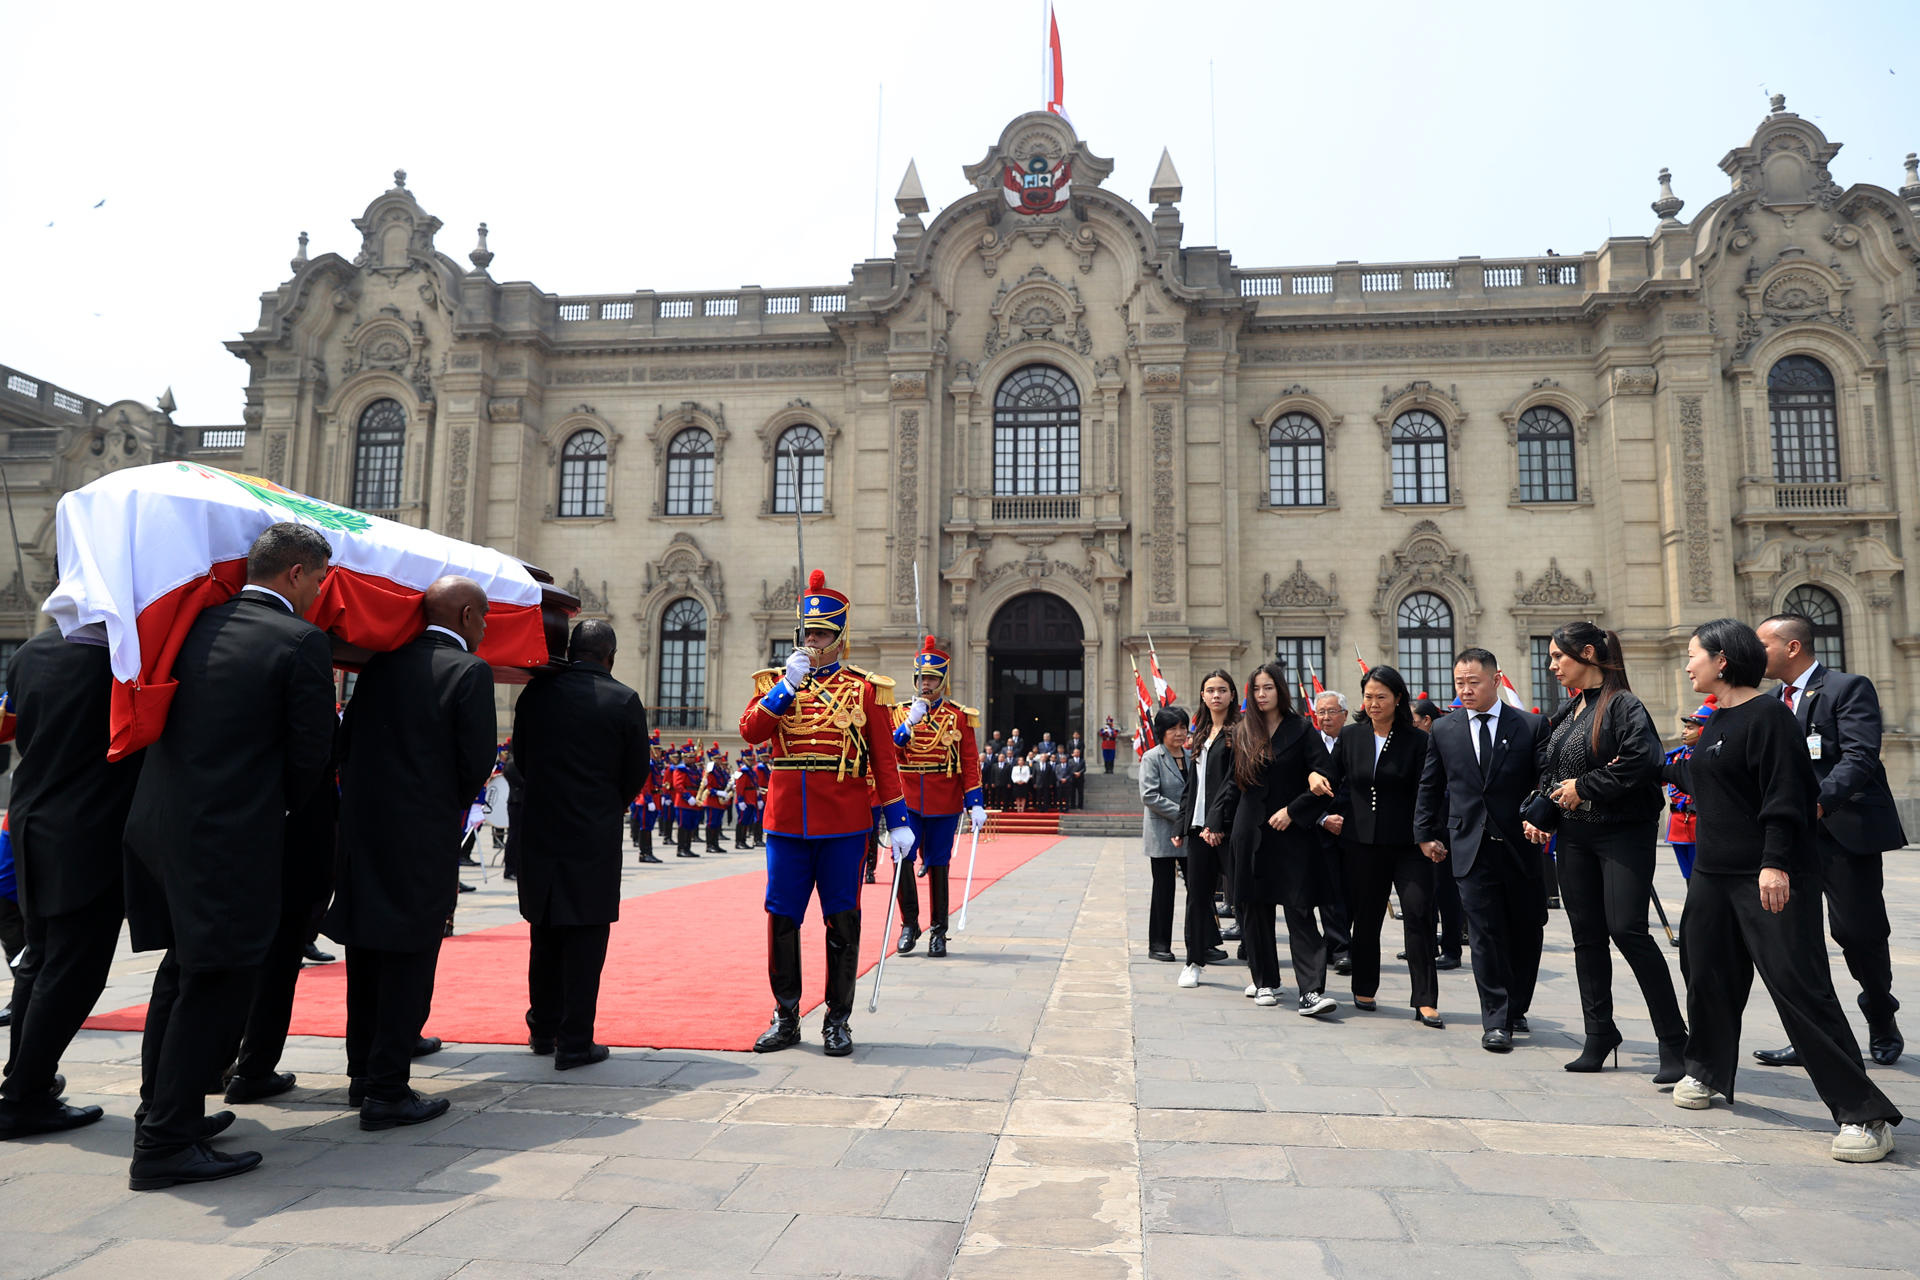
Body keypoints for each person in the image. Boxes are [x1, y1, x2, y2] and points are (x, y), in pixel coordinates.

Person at [122, 523, 337, 1189]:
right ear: (297, 574)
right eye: (321, 581)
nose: (321, 595)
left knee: (181, 973)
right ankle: (163, 1146)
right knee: (216, 982)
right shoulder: (299, 641)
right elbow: (310, 761)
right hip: (231, 838)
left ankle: (164, 1112)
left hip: (161, 827)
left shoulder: (191, 625)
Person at [1662, 618, 1901, 1162]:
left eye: (1694, 654)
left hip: (1767, 875)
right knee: (1706, 976)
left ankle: (1866, 1115)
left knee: (1800, 985)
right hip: (1713, 876)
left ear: (1722, 660)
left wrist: (1774, 864)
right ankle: (1706, 1071)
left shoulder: (1768, 716)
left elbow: (1785, 796)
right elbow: (1705, 782)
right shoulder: (1716, 719)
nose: (1687, 663)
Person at [324, 576, 497, 1130]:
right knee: (410, 960)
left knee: (367, 957)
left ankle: (361, 1075)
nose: (489, 626)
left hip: (363, 832)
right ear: (467, 615)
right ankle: (387, 1090)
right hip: (421, 839)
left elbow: (344, 746)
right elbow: (475, 763)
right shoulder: (468, 672)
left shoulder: (379, 665)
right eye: (486, 616)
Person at [739, 570, 913, 1056]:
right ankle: (786, 1013)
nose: (812, 642)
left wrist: (897, 819)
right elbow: (752, 731)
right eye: (807, 634)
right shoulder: (776, 682)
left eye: (822, 635)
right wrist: (785, 688)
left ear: (840, 640)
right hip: (788, 819)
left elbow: (883, 758)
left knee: (842, 919)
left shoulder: (865, 690)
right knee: (782, 917)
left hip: (843, 820)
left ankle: (837, 1019)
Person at [0, 625, 145, 1141]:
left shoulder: (31, 652)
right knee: (72, 970)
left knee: (39, 961)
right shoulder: (123, 660)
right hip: (85, 833)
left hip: (33, 820)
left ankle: (26, 1082)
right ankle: (22, 1096)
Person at [1527, 621, 1686, 1079]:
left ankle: (1675, 1041)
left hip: (1622, 834)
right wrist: (1540, 812)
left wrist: (1587, 787)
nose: (1552, 664)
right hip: (1574, 837)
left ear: (1590, 654)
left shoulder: (1623, 705)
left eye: (1559, 656)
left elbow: (1645, 762)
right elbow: (1553, 772)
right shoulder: (1569, 711)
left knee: (1628, 931)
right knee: (1587, 939)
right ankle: (1599, 1034)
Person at [1752, 612, 1907, 1068]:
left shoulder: (1846, 688)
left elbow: (1860, 757)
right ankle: (1813, 1036)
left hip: (1842, 831)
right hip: (1791, 837)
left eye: (1763, 645)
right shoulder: (1770, 701)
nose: (1756, 654)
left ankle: (1880, 1010)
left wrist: (1816, 803)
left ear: (1791, 647)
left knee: (1857, 933)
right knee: (1796, 939)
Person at [512, 619, 650, 1070]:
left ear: (572, 651)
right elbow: (635, 773)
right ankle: (575, 1041)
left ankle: (542, 1029)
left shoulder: (535, 694)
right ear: (610, 656)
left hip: (540, 832)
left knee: (544, 933)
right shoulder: (624, 699)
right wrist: (605, 806)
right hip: (592, 836)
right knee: (586, 938)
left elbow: (523, 761)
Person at [1413, 648, 1548, 1053]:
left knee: (1527, 929)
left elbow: (1544, 780)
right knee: (1484, 934)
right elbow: (1430, 785)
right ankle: (1496, 1019)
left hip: (1520, 844)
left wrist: (1543, 819)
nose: (1466, 690)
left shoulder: (1529, 726)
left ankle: (1516, 1005)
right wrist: (1424, 832)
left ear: (1495, 679)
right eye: (1459, 683)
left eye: (1473, 682)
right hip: (1468, 844)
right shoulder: (1444, 729)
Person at [1311, 665, 1441, 1026]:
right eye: (1368, 696)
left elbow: (1429, 792)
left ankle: (1425, 999)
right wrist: (1315, 782)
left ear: (1398, 698)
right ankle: (1364, 986)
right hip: (1362, 844)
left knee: (1417, 914)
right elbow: (1330, 777)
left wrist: (1430, 835)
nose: (1373, 703)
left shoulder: (1417, 741)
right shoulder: (1351, 737)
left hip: (1409, 845)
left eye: (1381, 696)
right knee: (1366, 918)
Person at [221, 723, 340, 1105]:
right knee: (277, 959)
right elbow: (315, 753)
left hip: (234, 826)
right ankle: (253, 1069)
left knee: (230, 959)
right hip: (293, 832)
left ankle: (211, 1064)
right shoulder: (299, 664)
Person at [1208, 662, 1336, 1015]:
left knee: (1299, 909)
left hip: (1291, 833)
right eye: (1257, 689)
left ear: (1281, 690)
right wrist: (1215, 820)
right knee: (1254, 909)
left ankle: (1311, 991)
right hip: (1250, 832)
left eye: (1268, 688)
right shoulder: (1242, 731)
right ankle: (1265, 981)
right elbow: (1233, 783)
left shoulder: (1302, 729)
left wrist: (1294, 810)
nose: (1262, 695)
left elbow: (1325, 776)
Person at [890, 637, 987, 958]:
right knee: (903, 860)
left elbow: (969, 761)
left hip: (944, 800)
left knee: (939, 865)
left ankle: (939, 932)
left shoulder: (959, 716)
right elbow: (890, 751)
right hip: (907, 800)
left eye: (931, 678)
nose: (925, 684)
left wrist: (975, 801)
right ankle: (909, 924)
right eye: (920, 678)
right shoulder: (901, 712)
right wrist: (909, 722)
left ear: (942, 680)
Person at [1174, 670, 1238, 987]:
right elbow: (1193, 785)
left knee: (1243, 897)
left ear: (1231, 694)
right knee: (1197, 898)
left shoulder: (1238, 732)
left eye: (1222, 690)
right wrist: (1181, 822)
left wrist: (1217, 820)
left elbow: (1233, 782)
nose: (1216, 696)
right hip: (1199, 830)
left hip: (1226, 829)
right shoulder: (1201, 733)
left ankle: (1258, 965)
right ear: (1202, 695)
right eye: (1210, 690)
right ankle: (1193, 961)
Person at [1139, 707, 1190, 963]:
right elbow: (1150, 795)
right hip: (1163, 832)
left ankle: (1203, 942)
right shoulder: (1152, 757)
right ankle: (1159, 944)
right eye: (1173, 728)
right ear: (1162, 732)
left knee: (1198, 889)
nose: (1180, 733)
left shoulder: (1193, 756)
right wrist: (1183, 815)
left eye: (1183, 727)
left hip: (1191, 833)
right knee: (1164, 889)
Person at [1310, 690, 1356, 976]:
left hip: (1353, 828)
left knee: (1350, 891)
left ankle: (1336, 943)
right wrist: (1323, 818)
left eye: (1331, 711)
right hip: (1320, 826)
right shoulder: (1310, 743)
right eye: (1321, 712)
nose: (1326, 717)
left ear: (1345, 714)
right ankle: (1340, 948)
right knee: (1328, 891)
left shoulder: (1356, 741)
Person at [1663, 700, 1711, 882]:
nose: (1684, 731)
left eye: (1690, 728)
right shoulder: (1677, 755)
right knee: (1688, 876)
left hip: (1699, 823)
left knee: (1702, 878)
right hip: (1678, 824)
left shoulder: (1707, 754)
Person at [672, 743, 702, 858]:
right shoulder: (681, 769)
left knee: (690, 826)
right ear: (684, 757)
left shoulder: (695, 769)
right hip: (684, 802)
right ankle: (681, 849)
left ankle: (688, 848)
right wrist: (688, 797)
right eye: (689, 757)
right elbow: (678, 785)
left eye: (693, 756)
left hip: (694, 801)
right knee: (683, 826)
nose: (692, 759)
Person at [734, 749, 762, 849]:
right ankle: (739, 842)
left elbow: (756, 786)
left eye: (751, 759)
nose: (750, 761)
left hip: (751, 799)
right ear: (744, 760)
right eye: (748, 759)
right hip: (744, 799)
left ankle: (743, 841)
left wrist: (758, 798)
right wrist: (741, 800)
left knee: (747, 821)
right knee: (742, 821)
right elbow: (739, 786)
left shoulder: (751, 771)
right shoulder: (741, 771)